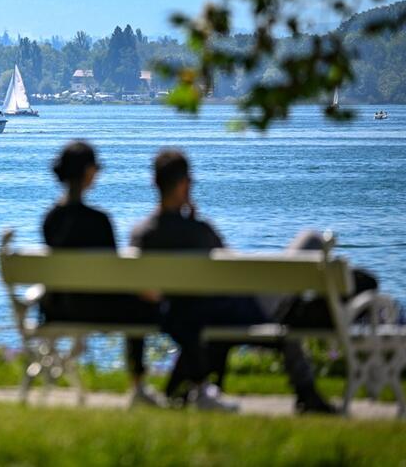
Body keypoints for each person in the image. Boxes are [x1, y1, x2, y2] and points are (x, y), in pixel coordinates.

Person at [130, 149, 336, 413]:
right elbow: (233, 265)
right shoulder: (200, 232)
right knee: (312, 241)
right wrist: (193, 220)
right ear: (184, 185)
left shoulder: (142, 234)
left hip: (188, 313)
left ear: (155, 184)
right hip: (244, 310)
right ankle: (307, 392)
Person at [41, 141, 164, 407]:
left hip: (62, 308)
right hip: (102, 309)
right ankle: (137, 386)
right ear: (88, 172)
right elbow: (114, 276)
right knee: (146, 306)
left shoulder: (50, 219)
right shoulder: (98, 221)